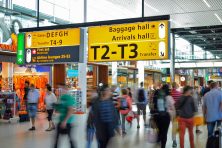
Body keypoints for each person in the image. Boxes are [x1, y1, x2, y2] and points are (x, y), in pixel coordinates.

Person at [54, 83, 76, 148]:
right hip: (61, 120)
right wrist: (56, 106)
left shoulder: (69, 98)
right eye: (59, 89)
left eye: (61, 88)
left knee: (70, 139)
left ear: (66, 89)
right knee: (57, 139)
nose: (59, 90)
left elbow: (70, 110)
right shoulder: (61, 98)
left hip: (67, 122)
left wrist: (65, 121)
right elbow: (58, 110)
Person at [171, 82, 182, 147]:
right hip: (179, 112)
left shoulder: (170, 94)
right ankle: (181, 139)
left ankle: (174, 141)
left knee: (174, 127)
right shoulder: (179, 93)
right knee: (180, 126)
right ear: (176, 86)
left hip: (173, 113)